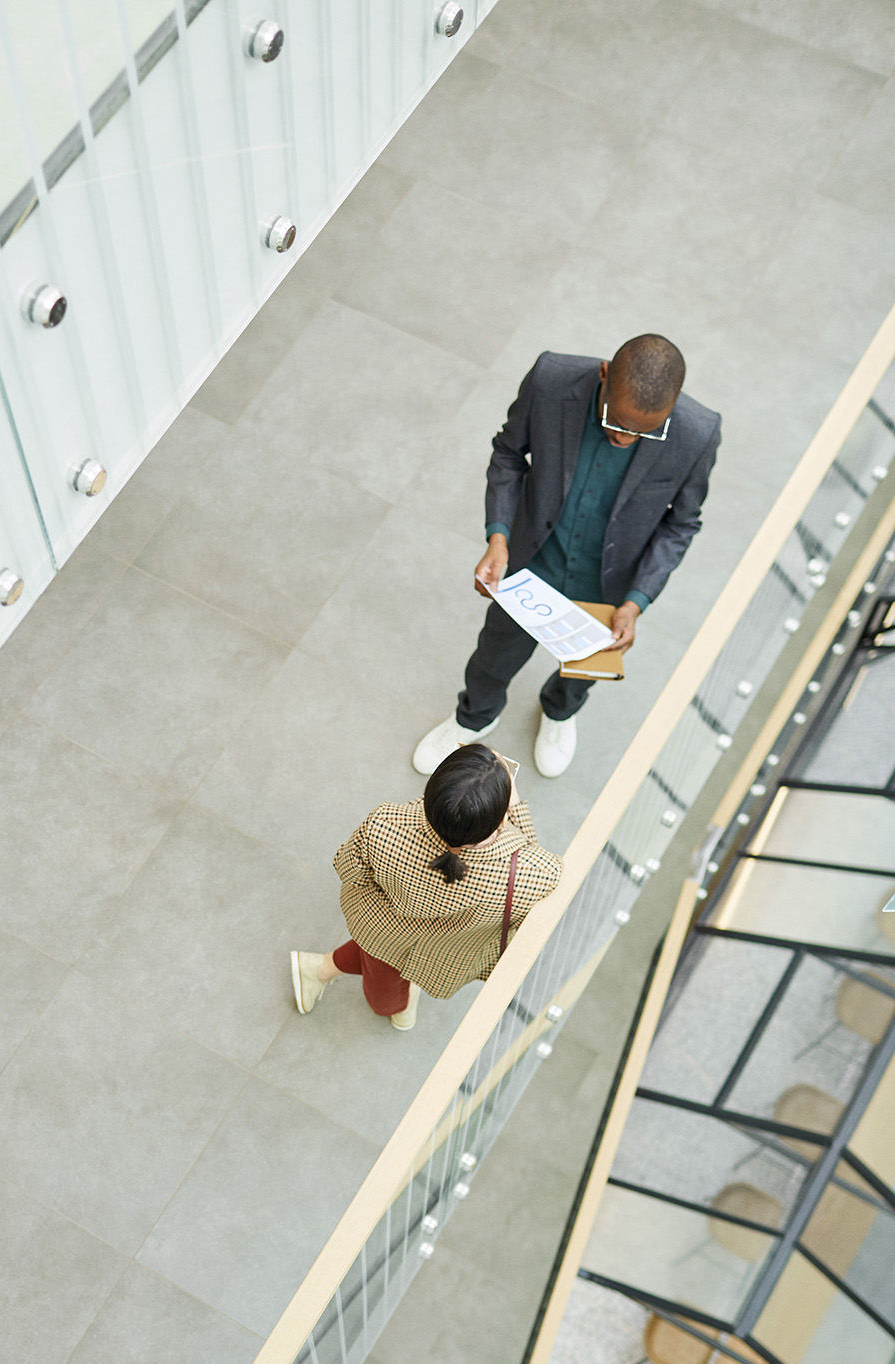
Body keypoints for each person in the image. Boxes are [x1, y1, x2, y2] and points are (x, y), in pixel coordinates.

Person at [413, 336, 722, 780]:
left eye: (642, 432)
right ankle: (474, 718)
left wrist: (636, 601)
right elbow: (507, 454)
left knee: (583, 670)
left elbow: (681, 524)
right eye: (615, 421)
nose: (622, 438)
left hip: (609, 585)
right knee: (495, 651)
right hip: (530, 562)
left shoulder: (698, 432)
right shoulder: (551, 379)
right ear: (603, 374)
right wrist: (497, 537)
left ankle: (559, 712)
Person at [291, 744, 562, 1030]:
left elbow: (347, 866)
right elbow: (535, 865)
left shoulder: (384, 822)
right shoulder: (530, 875)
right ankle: (320, 971)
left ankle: (317, 969)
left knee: (380, 962)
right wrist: (515, 807)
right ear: (503, 819)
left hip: (380, 928)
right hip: (443, 950)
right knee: (386, 1004)